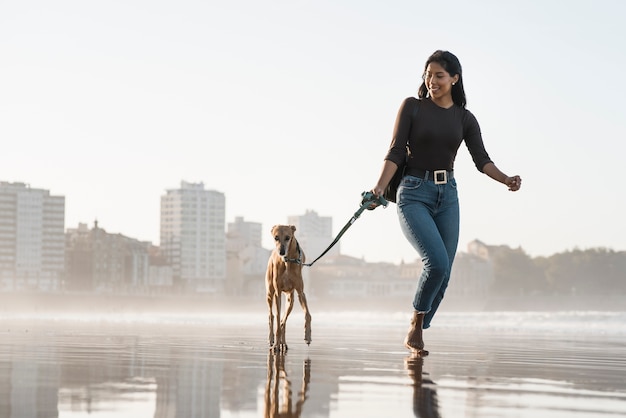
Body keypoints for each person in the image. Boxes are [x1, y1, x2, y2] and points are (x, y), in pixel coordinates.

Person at [370, 50, 521, 356]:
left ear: (454, 78)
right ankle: (416, 324)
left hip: (448, 195)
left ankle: (419, 321)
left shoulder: (464, 118)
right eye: (428, 74)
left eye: (439, 75)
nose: (432, 80)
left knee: (445, 272)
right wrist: (378, 188)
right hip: (413, 192)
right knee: (436, 263)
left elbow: (482, 161)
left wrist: (506, 179)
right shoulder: (412, 107)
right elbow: (396, 151)